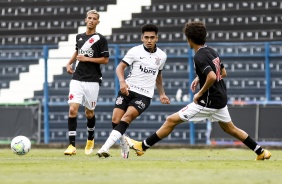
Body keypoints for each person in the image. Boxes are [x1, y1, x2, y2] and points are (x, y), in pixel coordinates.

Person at [125, 21, 271, 161]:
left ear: (189, 39)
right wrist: (199, 77)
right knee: (230, 129)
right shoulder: (211, 50)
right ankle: (261, 151)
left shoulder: (199, 56)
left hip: (208, 101)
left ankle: (142, 146)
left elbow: (213, 76)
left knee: (171, 120)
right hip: (220, 98)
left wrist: (200, 93)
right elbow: (223, 72)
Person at [96, 23, 170, 158]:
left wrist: (162, 93)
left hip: (144, 95)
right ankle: (124, 146)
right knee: (115, 120)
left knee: (127, 117)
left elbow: (158, 75)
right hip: (128, 90)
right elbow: (119, 68)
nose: (149, 40)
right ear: (142, 38)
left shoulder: (162, 56)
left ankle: (104, 149)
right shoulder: (134, 51)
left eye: (152, 37)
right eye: (146, 37)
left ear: (157, 38)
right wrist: (122, 82)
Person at [64, 10, 109, 155]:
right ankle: (72, 146)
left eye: (94, 19)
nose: (91, 20)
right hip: (77, 78)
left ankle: (90, 138)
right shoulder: (79, 37)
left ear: (98, 22)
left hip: (93, 80)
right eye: (89, 18)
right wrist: (69, 63)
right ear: (85, 20)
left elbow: (105, 60)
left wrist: (87, 59)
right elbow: (78, 52)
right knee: (72, 109)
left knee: (89, 113)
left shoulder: (100, 39)